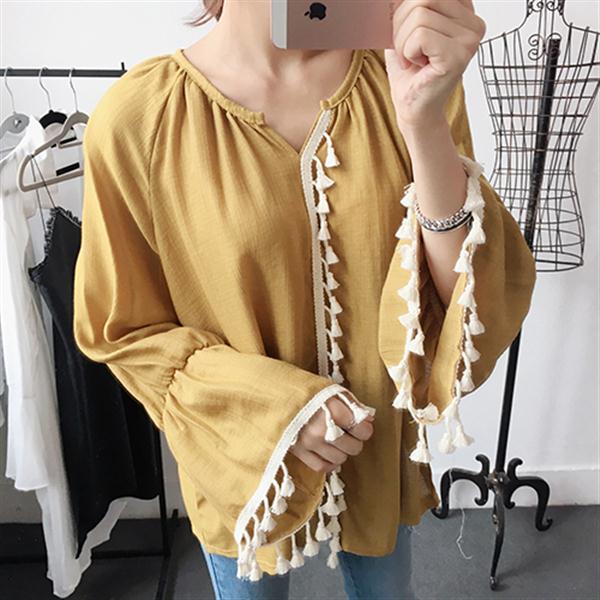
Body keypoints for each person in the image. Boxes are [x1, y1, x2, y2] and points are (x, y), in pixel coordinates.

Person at [72, 1, 537, 598]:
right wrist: (278, 412)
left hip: (378, 452)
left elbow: (461, 306)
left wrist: (421, 121)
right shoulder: (141, 120)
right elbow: (125, 331)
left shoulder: (403, 75)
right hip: (243, 460)